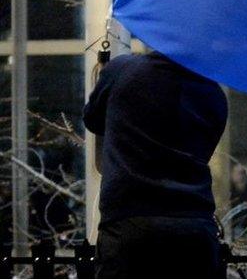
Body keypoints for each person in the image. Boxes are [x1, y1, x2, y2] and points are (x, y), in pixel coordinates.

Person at [83, 50, 228, 278]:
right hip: (194, 223)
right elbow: (205, 149)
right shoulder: (213, 93)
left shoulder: (123, 69)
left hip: (130, 220)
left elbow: (92, 119)